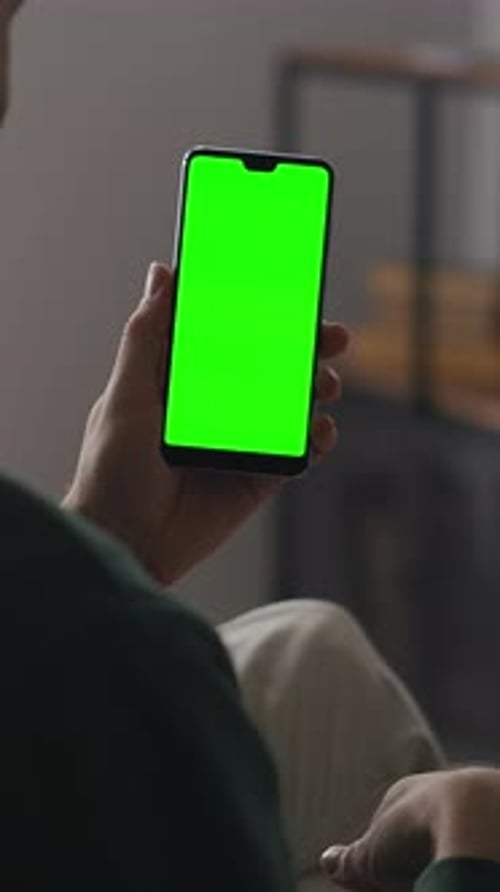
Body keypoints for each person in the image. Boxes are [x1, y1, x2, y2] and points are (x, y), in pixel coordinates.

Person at [1, 3, 500, 891]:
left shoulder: (71, 608)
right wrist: (469, 842)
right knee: (432, 773)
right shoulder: (125, 656)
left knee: (315, 644)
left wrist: (108, 541)